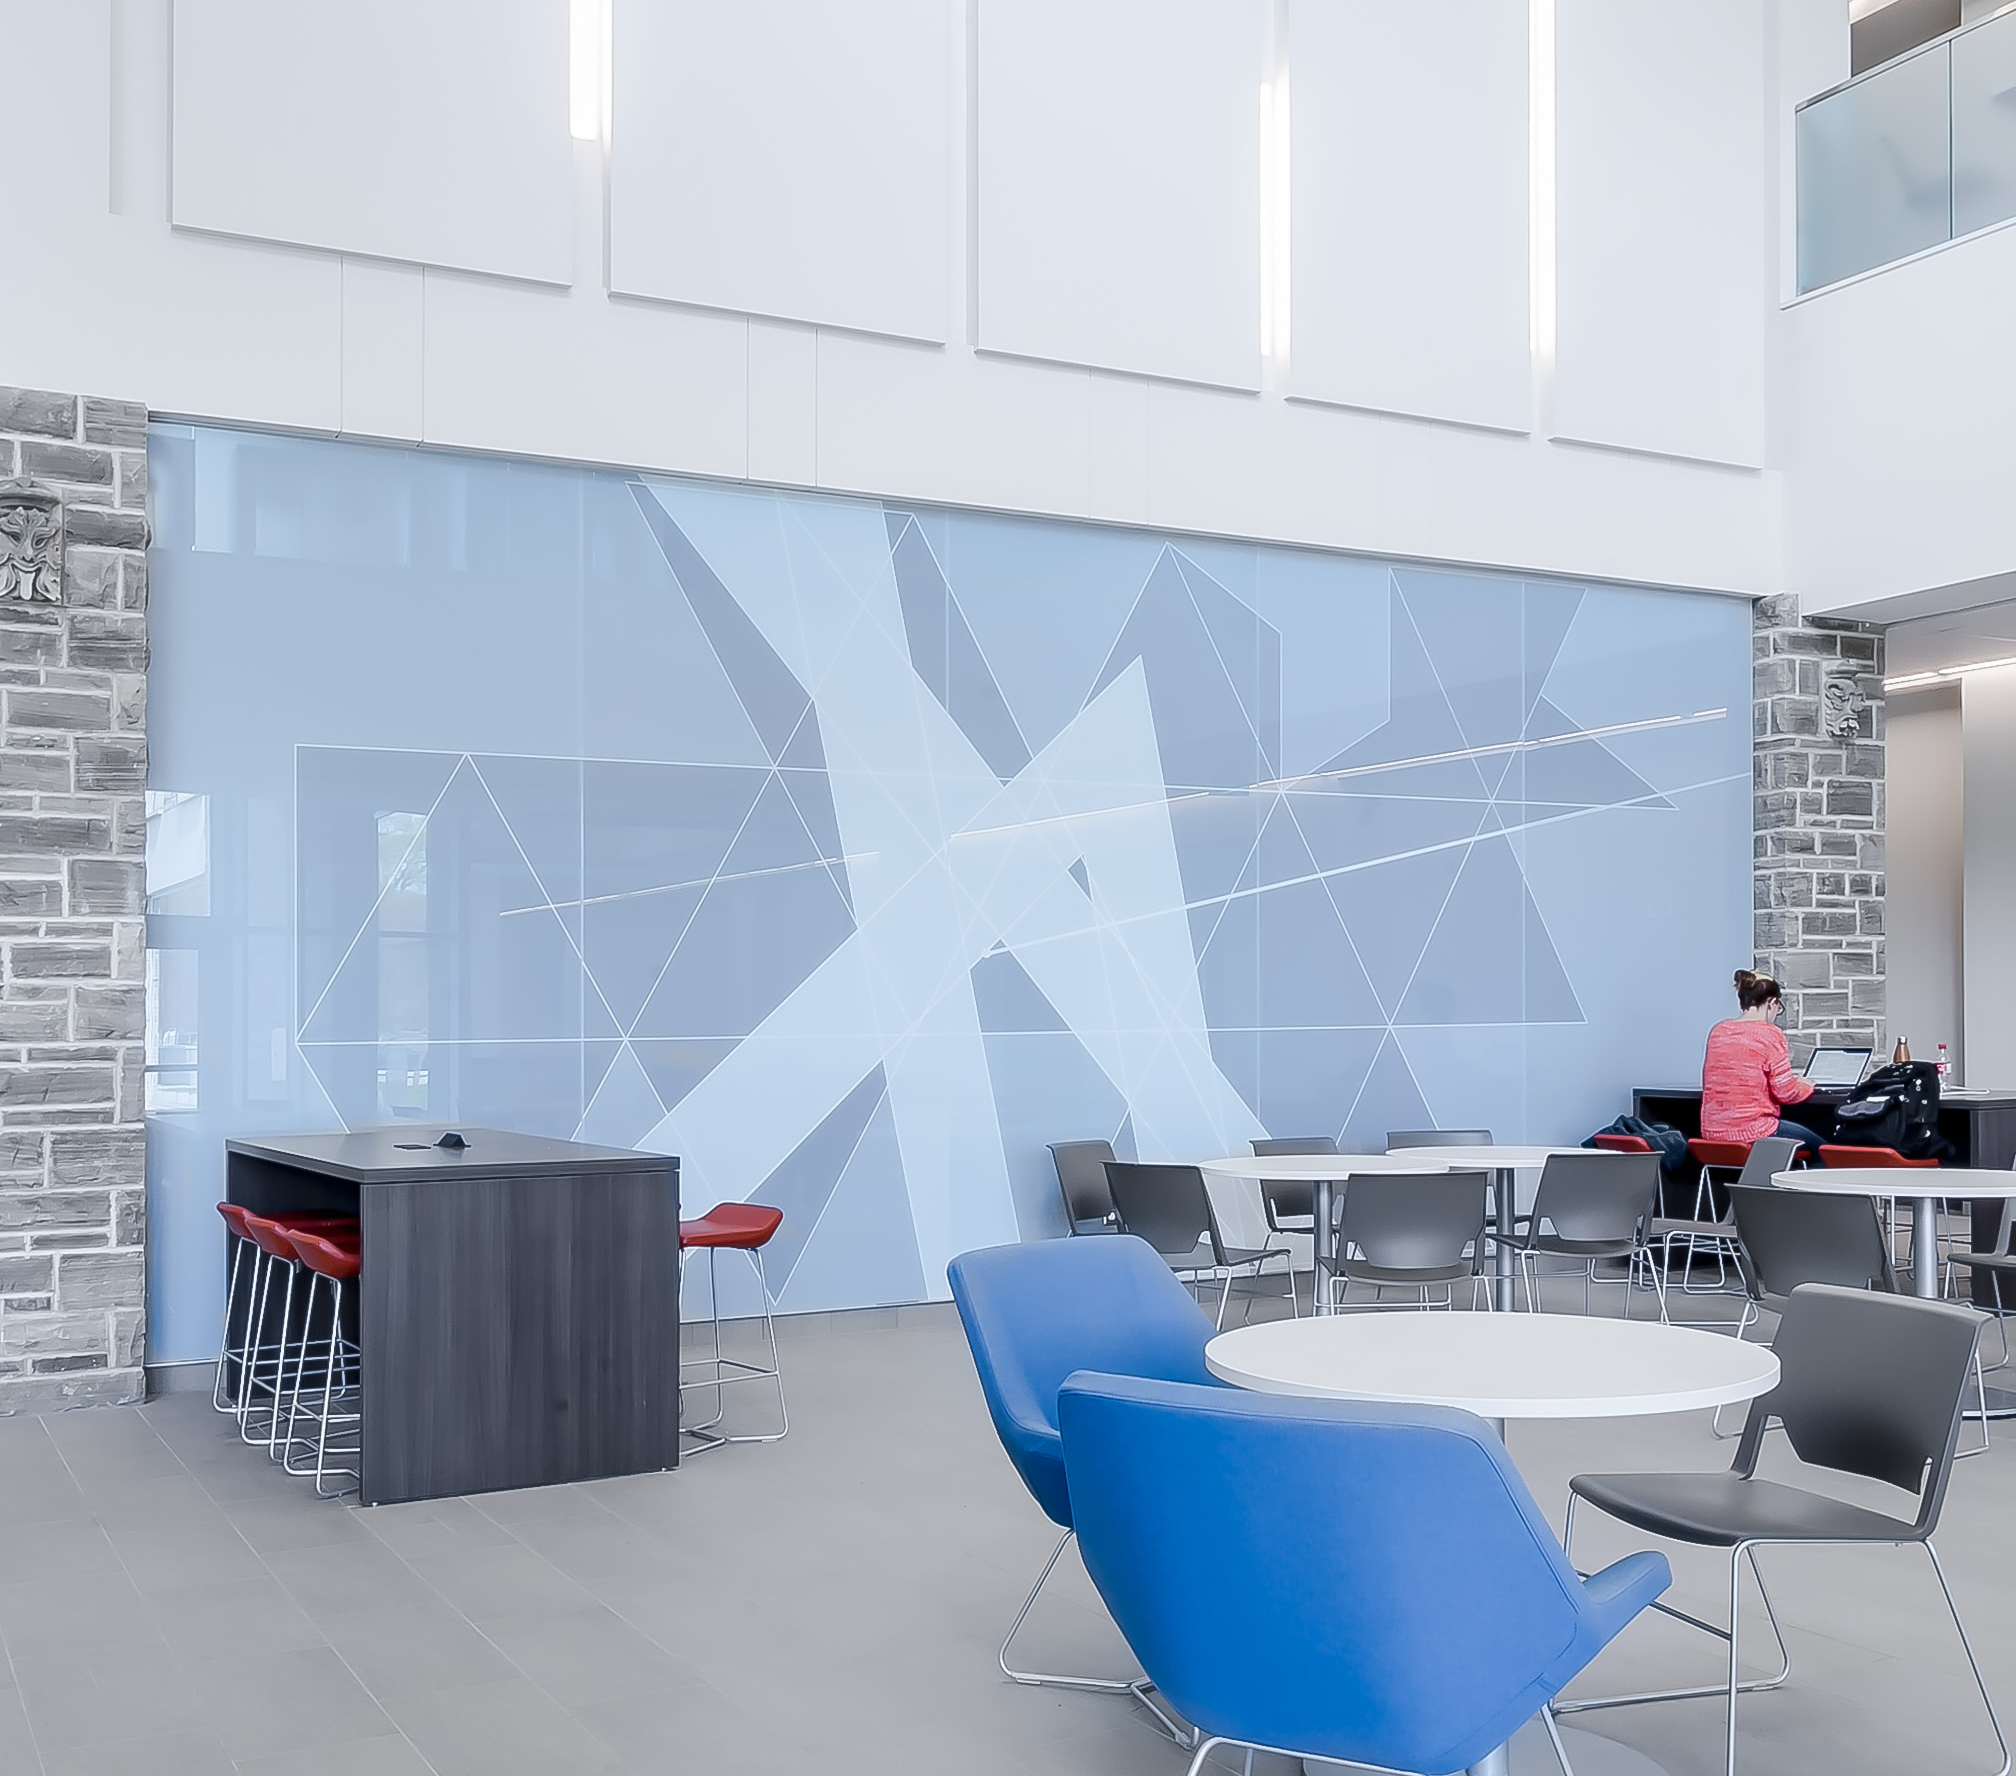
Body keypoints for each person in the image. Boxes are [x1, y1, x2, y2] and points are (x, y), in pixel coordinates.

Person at [1700, 969, 1821, 1156]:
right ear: (1772, 1002)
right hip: (1755, 1131)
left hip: (1712, 1134)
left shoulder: (1718, 1031)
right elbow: (1787, 1093)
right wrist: (1805, 1085)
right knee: (1826, 1149)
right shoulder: (1769, 1033)